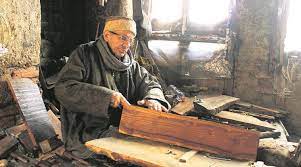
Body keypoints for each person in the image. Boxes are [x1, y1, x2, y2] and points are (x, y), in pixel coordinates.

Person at [54, 16, 170, 159]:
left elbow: (150, 83)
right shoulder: (84, 54)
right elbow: (63, 88)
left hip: (122, 125)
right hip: (87, 128)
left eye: (130, 40)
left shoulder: (129, 63)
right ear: (107, 35)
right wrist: (107, 97)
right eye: (123, 38)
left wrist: (153, 98)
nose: (127, 44)